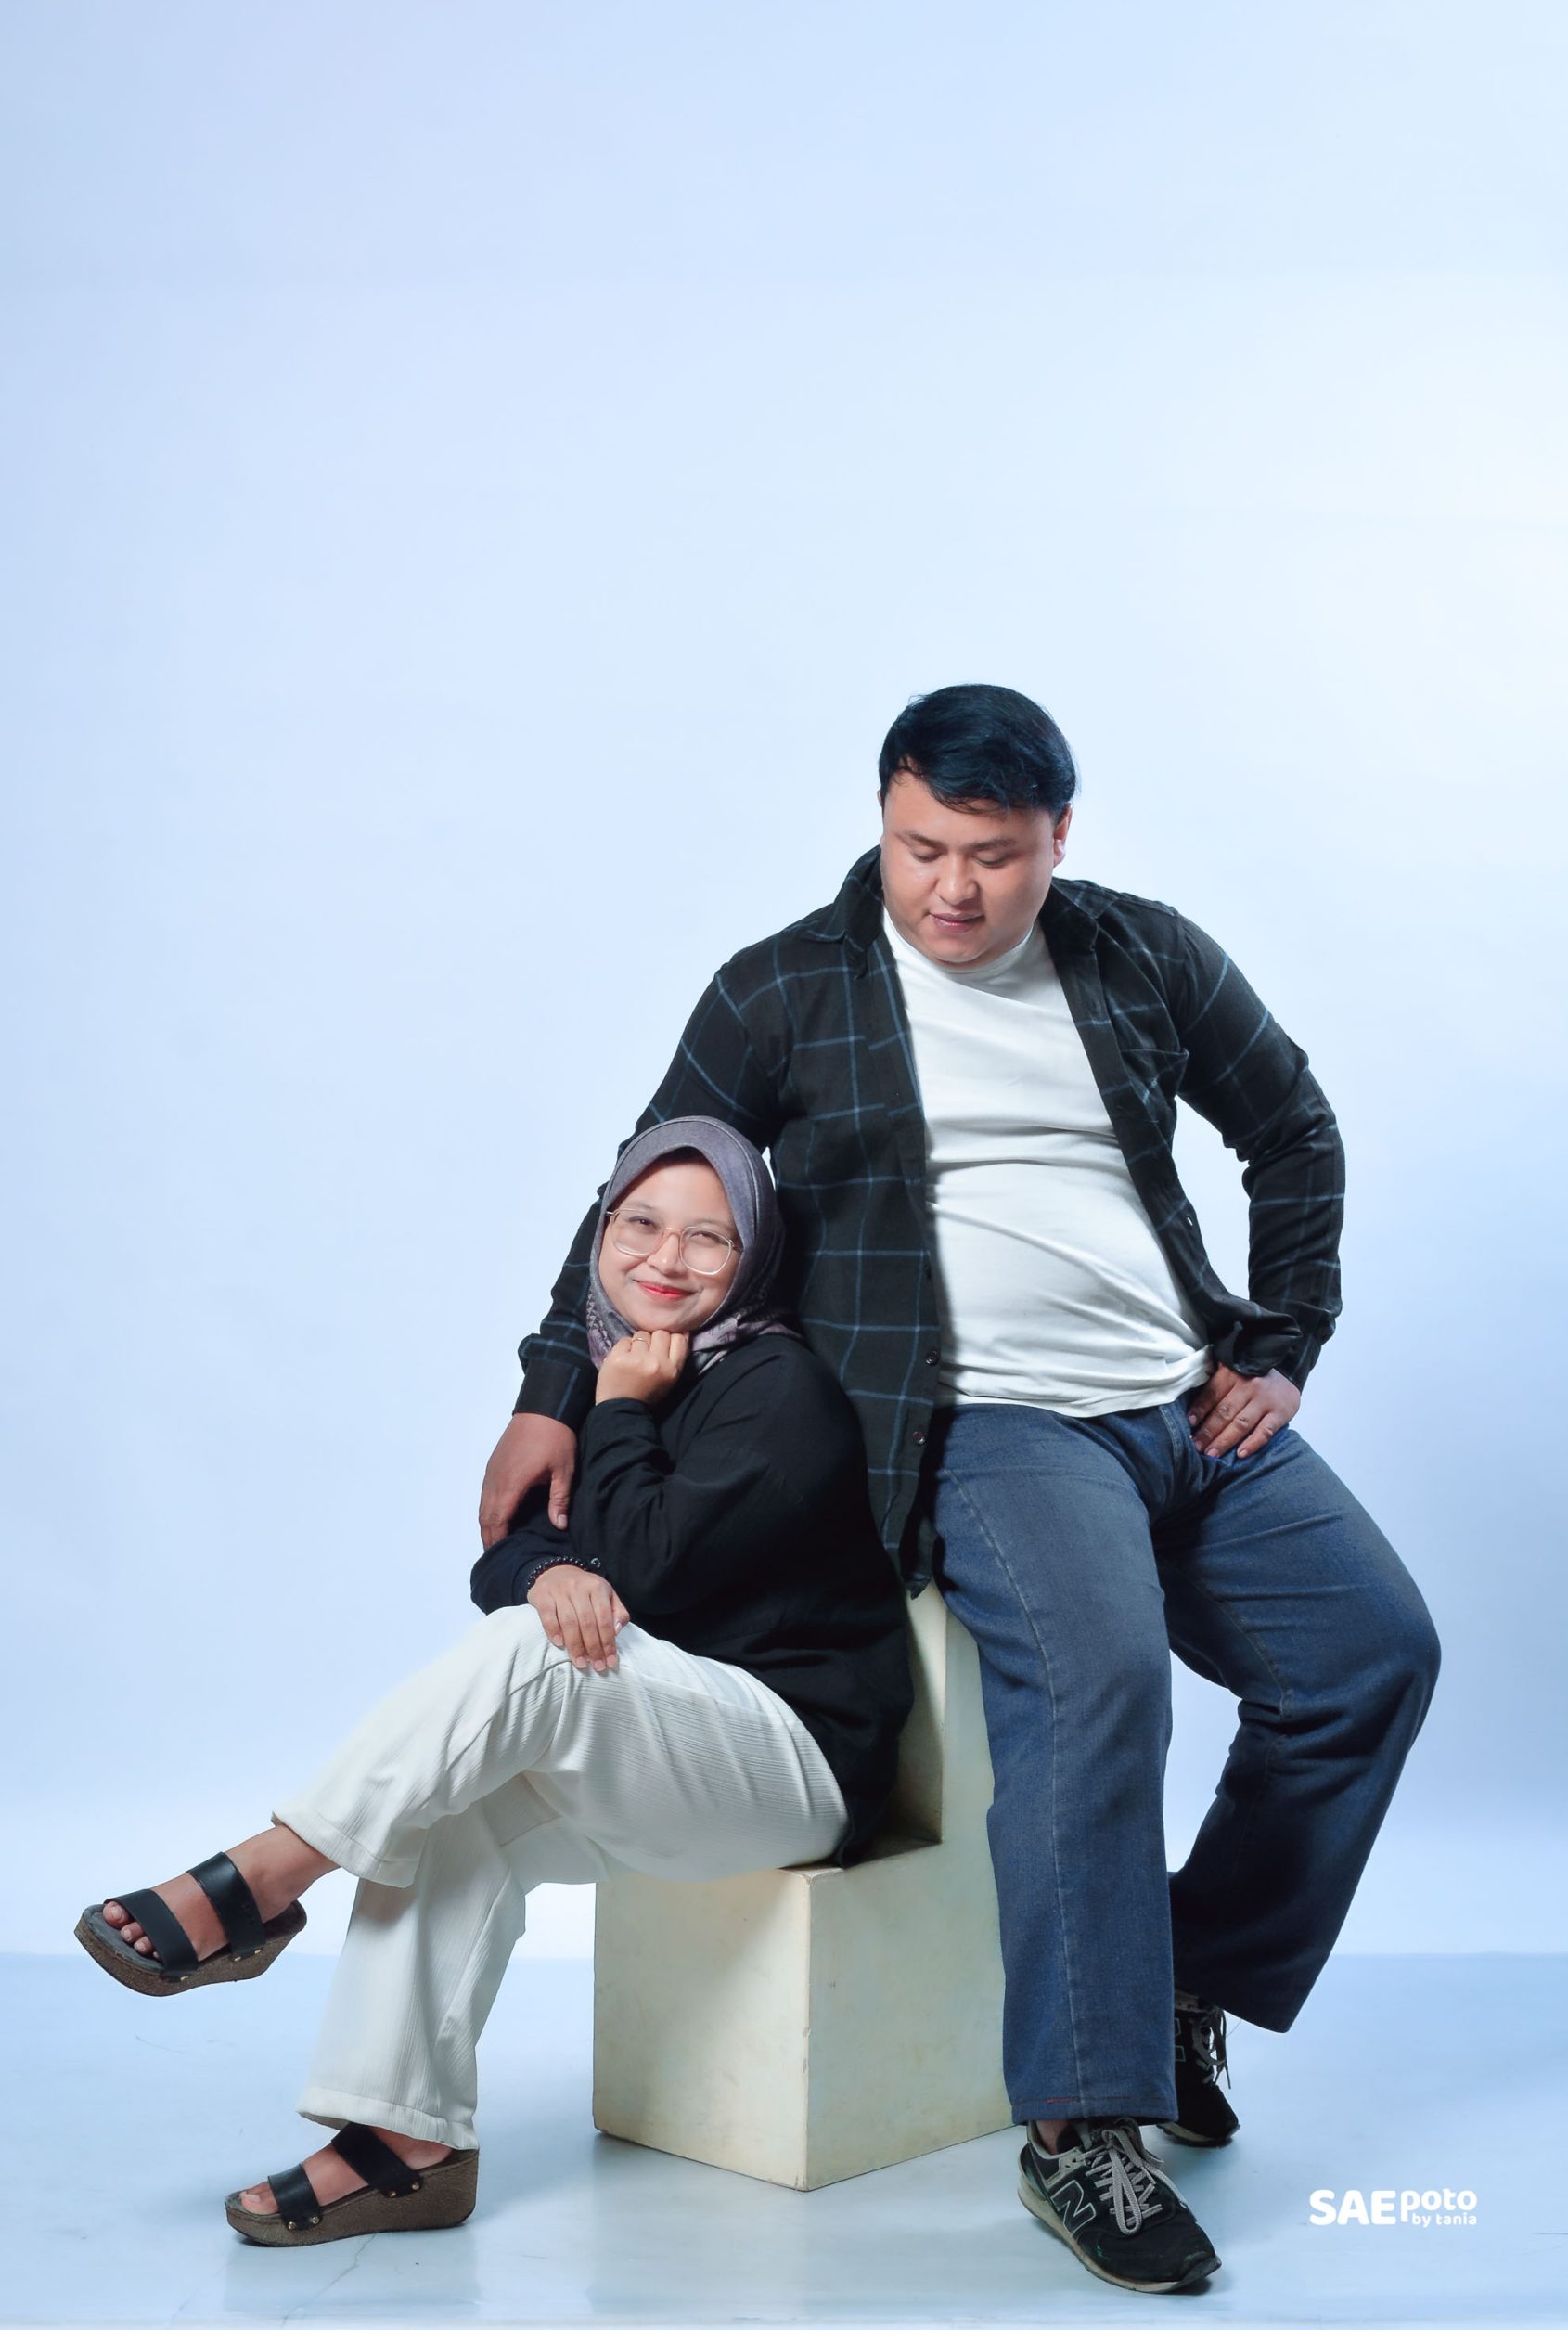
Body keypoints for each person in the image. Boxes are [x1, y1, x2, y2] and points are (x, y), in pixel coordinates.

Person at [484, 683, 1441, 2298]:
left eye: (992, 856)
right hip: (985, 1424)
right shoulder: (785, 987)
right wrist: (549, 1387)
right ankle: (1077, 2129)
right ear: (882, 817)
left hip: (1179, 1400)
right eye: (919, 846)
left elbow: (1290, 1127)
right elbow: (640, 1189)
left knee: (1369, 1654)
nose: (950, 887)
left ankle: (1187, 1979)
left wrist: (1277, 1343)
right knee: (1096, 1680)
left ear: (1057, 837)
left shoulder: (1140, 954)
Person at [76, 1116, 911, 2248]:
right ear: (602, 1234)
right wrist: (553, 1567)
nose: (666, 1259)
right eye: (640, 1224)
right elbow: (509, 1552)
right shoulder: (625, 1364)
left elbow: (652, 1569)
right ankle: (405, 2143)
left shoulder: (778, 1388)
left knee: (537, 1652)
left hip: (796, 1760)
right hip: (670, 1746)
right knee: (451, 1802)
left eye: (707, 1238)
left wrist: (617, 1413)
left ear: (754, 1253)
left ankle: (269, 1875)